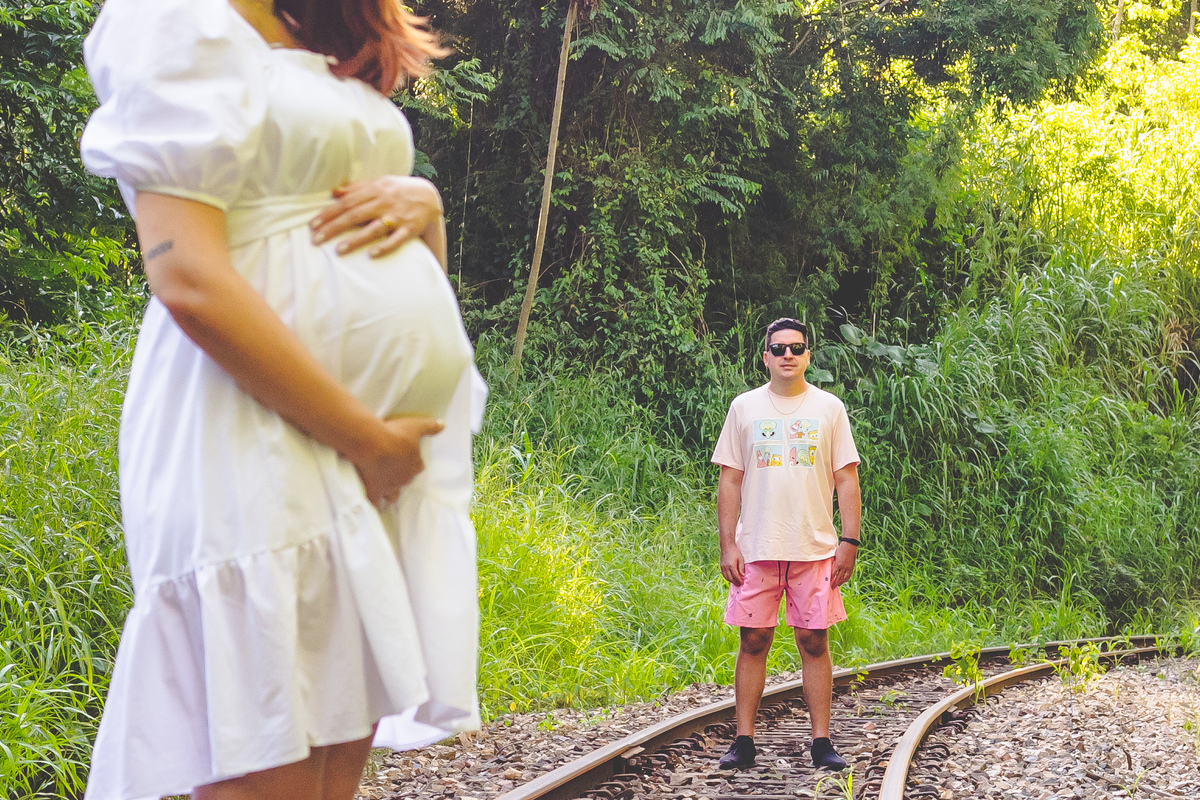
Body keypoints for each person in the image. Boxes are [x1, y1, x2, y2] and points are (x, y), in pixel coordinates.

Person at [78, 1, 485, 798]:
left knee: (331, 773)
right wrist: (367, 439)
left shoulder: (319, 26)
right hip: (252, 437)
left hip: (365, 466)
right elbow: (186, 277)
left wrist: (426, 207)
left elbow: (399, 264)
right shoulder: (175, 16)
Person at [711, 318, 861, 771]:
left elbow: (846, 478)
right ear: (766, 357)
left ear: (808, 355)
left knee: (814, 640)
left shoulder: (829, 408)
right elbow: (730, 479)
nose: (788, 355)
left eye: (796, 347)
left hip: (814, 547)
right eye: (779, 349)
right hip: (756, 546)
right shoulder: (744, 407)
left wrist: (850, 539)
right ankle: (744, 741)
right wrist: (727, 544)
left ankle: (821, 742)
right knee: (753, 639)